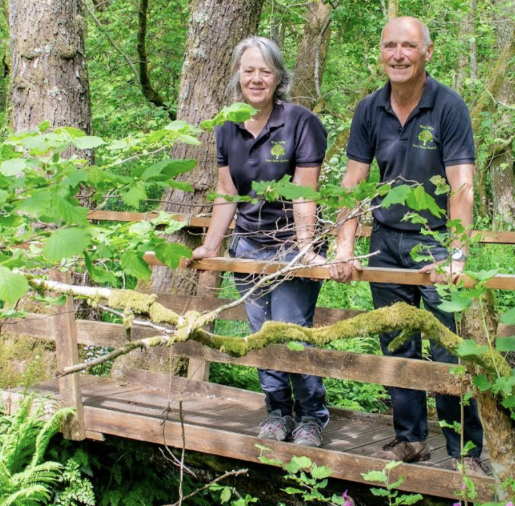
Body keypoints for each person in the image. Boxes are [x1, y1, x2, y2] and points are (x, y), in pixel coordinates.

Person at [329, 17, 487, 475]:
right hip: (385, 241)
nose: (398, 54)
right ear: (381, 53)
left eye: (409, 46)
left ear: (427, 52)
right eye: (390, 46)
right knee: (397, 343)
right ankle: (411, 439)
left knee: (447, 349)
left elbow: (462, 187)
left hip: (435, 242)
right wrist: (345, 246)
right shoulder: (369, 109)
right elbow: (354, 183)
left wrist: (457, 254)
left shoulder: (448, 106)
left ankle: (466, 454)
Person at [190, 36, 329, 447]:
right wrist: (212, 246)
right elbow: (225, 192)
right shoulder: (226, 126)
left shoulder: (300, 122)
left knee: (289, 331)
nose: (256, 78)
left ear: (278, 77)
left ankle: (312, 416)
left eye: (265, 71)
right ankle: (277, 413)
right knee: (259, 335)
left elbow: (306, 190)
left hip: (289, 244)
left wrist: (305, 249)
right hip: (248, 247)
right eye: (249, 70)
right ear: (238, 75)